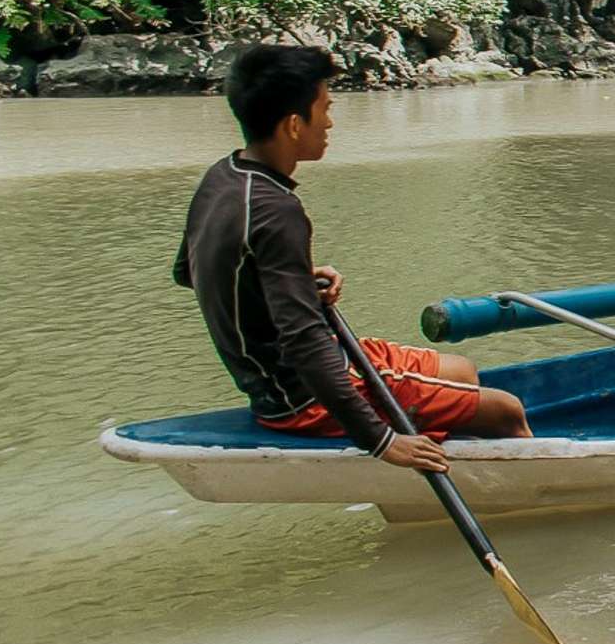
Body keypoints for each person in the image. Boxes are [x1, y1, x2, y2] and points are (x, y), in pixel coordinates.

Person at [174, 45, 530, 473]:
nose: (329, 122)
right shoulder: (278, 212)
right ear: (292, 124)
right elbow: (304, 343)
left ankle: (453, 450)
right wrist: (381, 442)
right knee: (507, 411)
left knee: (462, 370)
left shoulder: (222, 177)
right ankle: (540, 503)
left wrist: (291, 279)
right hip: (301, 398)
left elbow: (189, 272)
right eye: (324, 108)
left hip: (287, 378)